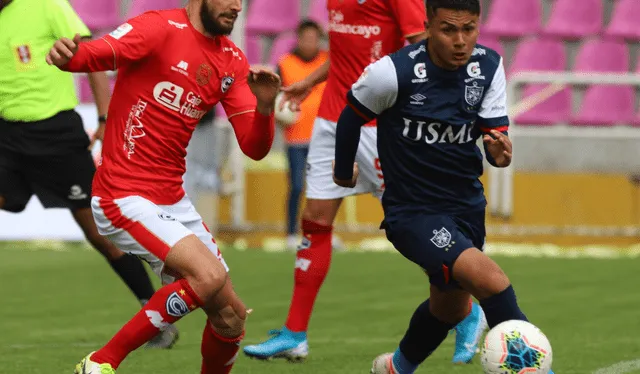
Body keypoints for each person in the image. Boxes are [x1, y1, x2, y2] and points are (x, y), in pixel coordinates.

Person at [243, 0, 486, 364]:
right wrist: (308, 83)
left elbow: (425, 49)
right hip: (331, 120)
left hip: (380, 124)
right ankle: (295, 334)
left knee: (416, 224)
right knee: (316, 219)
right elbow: (344, 51)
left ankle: (465, 309)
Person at [45, 0, 279, 372]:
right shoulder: (157, 28)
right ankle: (100, 362)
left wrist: (266, 110)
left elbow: (253, 147)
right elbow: (96, 54)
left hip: (173, 201)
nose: (236, 6)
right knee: (208, 276)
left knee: (231, 317)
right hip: (123, 195)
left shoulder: (232, 60)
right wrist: (67, 55)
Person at [331, 1, 555, 373]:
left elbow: (494, 142)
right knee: (491, 281)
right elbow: (350, 117)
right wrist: (342, 171)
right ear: (428, 25)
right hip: (413, 211)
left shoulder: (488, 65)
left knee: (449, 307)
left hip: (466, 206)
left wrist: (500, 154)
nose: (460, 41)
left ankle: (396, 367)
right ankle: (540, 370)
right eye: (449, 29)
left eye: (469, 29)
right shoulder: (393, 72)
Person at [0, 0, 177, 348]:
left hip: (56, 135)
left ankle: (152, 311)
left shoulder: (46, 5)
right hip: (7, 136)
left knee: (98, 232)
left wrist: (104, 117)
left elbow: (93, 61)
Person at [275, 20, 328, 250]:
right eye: (306, 38)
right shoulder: (285, 63)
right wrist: (278, 113)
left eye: (314, 38)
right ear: (298, 38)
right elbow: (276, 97)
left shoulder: (327, 61)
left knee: (324, 189)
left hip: (323, 137)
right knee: (297, 186)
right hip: (296, 138)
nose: (310, 42)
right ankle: (290, 233)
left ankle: (323, 235)